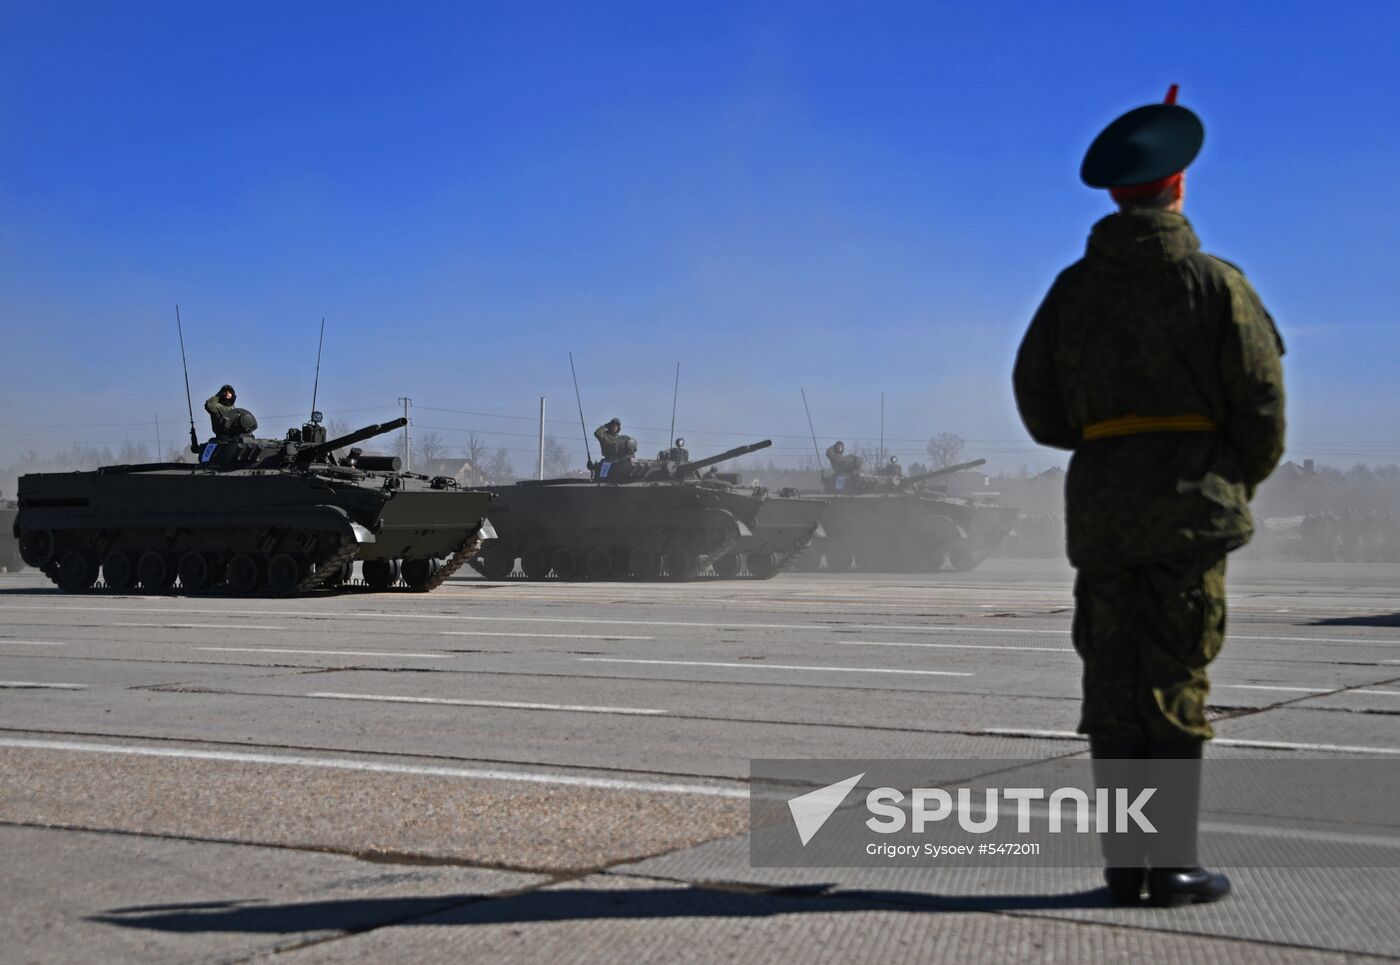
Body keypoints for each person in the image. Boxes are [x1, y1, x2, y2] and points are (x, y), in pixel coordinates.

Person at [1012, 85, 1285, 907]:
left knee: (1112, 676)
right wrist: (1226, 475)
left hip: (1101, 510)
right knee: (1175, 672)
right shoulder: (1212, 284)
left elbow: (1038, 404)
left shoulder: (1071, 290)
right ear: (1178, 186)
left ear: (1117, 192)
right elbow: (1261, 403)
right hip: (1187, 505)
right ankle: (1169, 867)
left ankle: (1124, 864)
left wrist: (1109, 449)